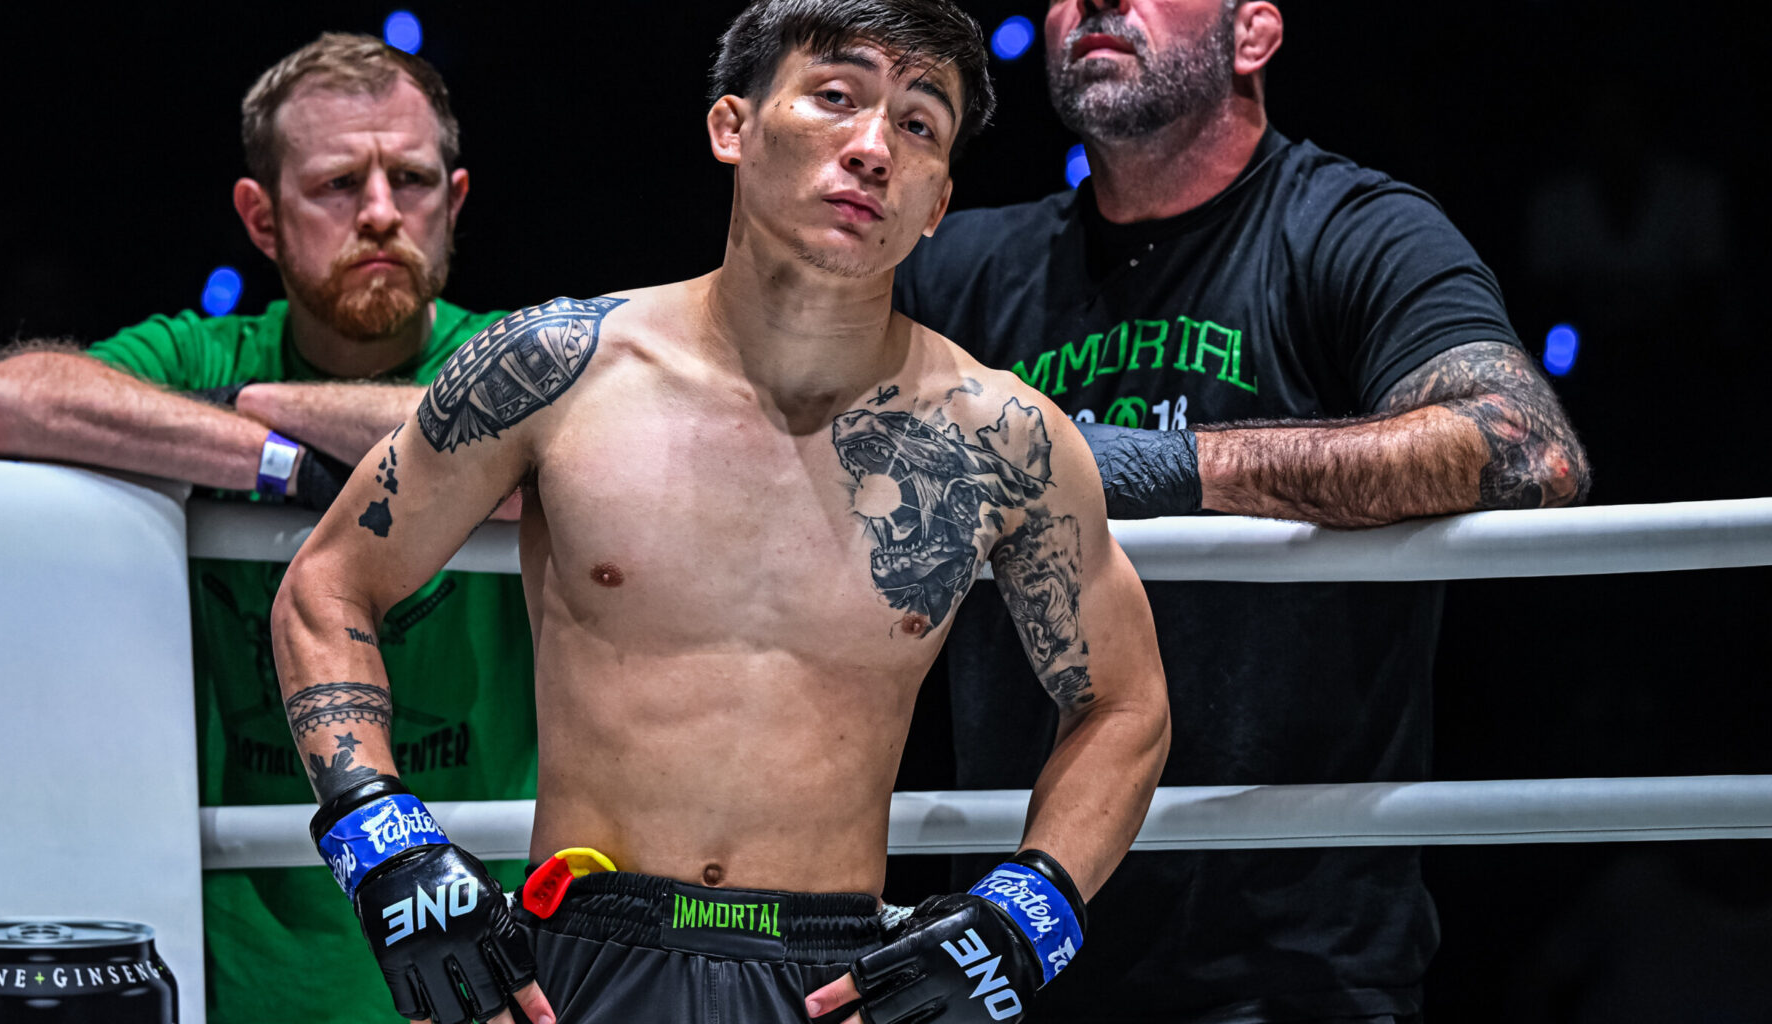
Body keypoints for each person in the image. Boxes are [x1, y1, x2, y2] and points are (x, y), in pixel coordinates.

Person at [271, 2, 1172, 1022]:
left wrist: (1027, 914)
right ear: (731, 125)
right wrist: (378, 838)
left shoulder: (1001, 437)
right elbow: (330, 586)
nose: (873, 147)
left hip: (835, 977)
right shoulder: (557, 369)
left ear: (938, 201)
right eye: (836, 97)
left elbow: (1126, 703)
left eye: (919, 123)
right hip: (574, 959)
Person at [891, 2, 1590, 1022]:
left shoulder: (1352, 227)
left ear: (1253, 36)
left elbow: (1529, 448)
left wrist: (1165, 465)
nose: (1092, 0)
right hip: (1014, 944)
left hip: (1289, 957)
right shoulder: (964, 267)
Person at [0, 33, 538, 1024]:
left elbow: (554, 441)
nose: (383, 213)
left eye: (414, 180)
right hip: (251, 965)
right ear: (261, 218)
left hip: (484, 939)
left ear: (458, 201)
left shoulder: (512, 353)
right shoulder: (205, 347)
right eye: (339, 183)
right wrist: (282, 463)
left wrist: (257, 407)